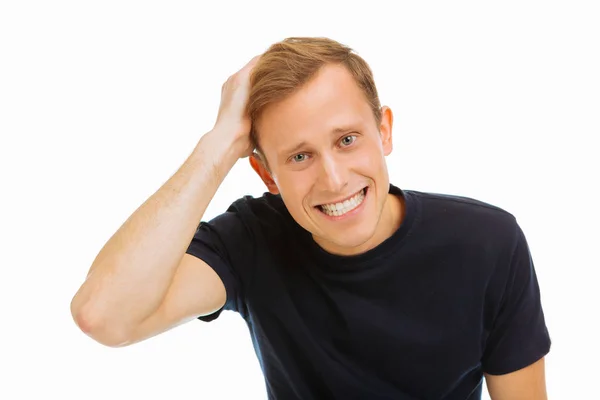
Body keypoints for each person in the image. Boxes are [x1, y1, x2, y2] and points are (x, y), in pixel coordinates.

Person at [71, 37, 551, 399]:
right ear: (266, 173)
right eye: (299, 157)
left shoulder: (488, 243)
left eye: (347, 139)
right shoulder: (251, 241)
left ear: (383, 130)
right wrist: (217, 146)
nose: (335, 179)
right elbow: (104, 315)